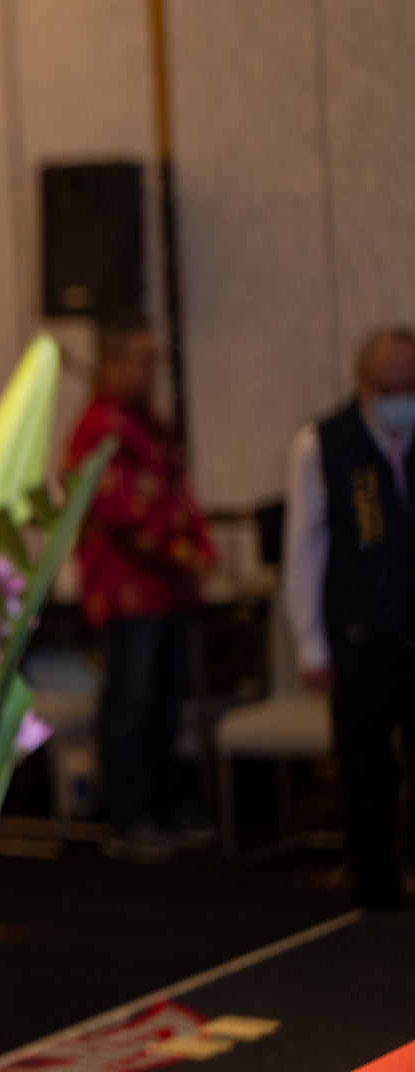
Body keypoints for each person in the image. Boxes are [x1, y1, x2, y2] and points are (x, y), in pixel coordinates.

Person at [65, 313, 215, 864]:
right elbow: (117, 506)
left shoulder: (151, 425)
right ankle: (128, 816)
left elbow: (180, 493)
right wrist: (179, 552)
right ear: (111, 364)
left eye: (155, 360)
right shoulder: (97, 429)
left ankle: (164, 805)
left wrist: (201, 548)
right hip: (127, 587)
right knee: (130, 702)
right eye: (141, 360)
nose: (150, 371)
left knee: (166, 702)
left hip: (169, 586)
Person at [284, 327, 415, 909]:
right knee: (365, 766)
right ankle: (374, 883)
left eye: (410, 386)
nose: (401, 399)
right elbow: (303, 549)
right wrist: (310, 644)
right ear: (362, 384)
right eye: (389, 388)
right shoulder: (322, 444)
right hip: (359, 633)